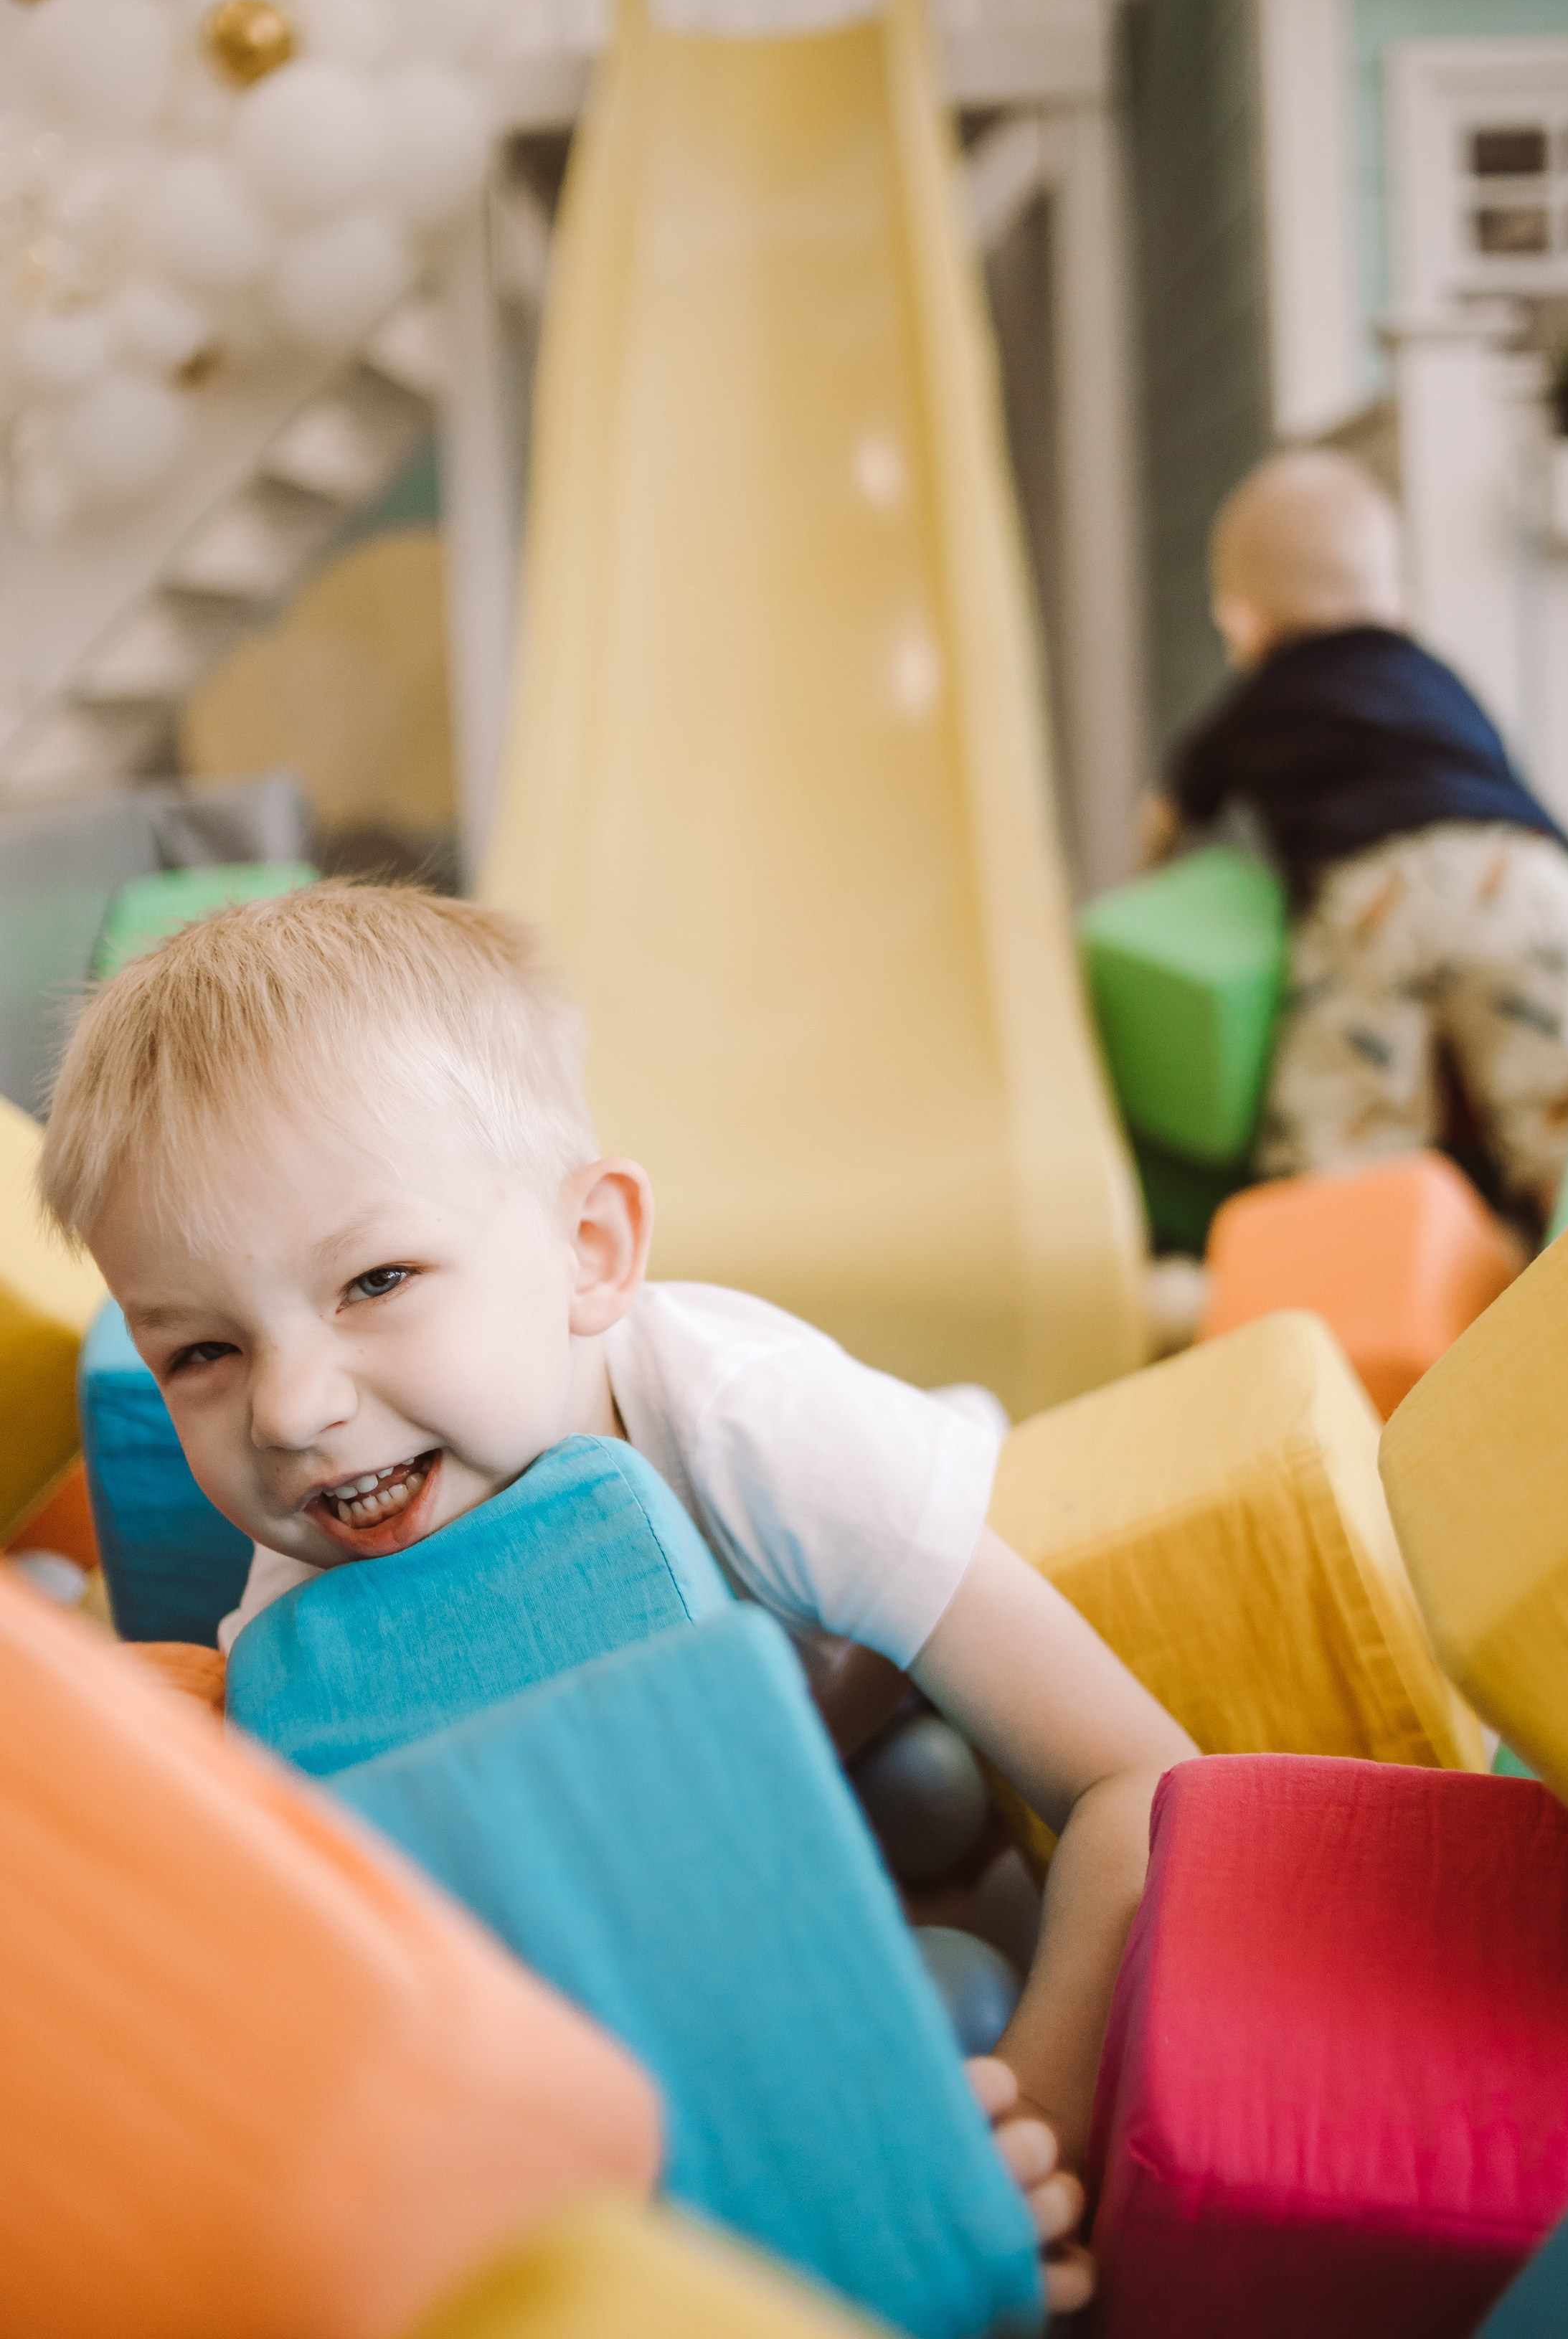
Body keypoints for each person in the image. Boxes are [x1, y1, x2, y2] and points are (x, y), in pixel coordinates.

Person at [39, 880, 1197, 2313]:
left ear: (593, 1253)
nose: (293, 1410)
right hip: (714, 1829)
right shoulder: (306, 1614)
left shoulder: (761, 1426)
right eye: (200, 1351)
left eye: (377, 1279)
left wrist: (1025, 2115)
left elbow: (1138, 1784)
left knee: (946, 1838)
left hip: (887, 1709)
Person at [1138, 448, 1568, 1216]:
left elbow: (1169, 810)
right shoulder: (1434, 674)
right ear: (1399, 605)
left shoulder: (1258, 696)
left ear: (1241, 621)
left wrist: (1150, 877)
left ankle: (1365, 1272)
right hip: (1523, 872)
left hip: (1378, 886)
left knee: (1345, 1134)